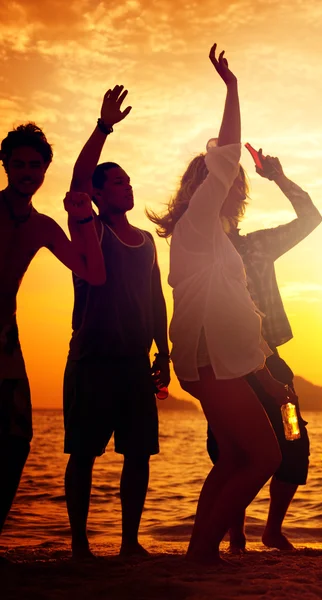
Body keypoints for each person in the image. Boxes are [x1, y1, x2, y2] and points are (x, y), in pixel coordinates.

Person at [149, 45, 294, 567]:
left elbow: (239, 312)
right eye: (223, 179)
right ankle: (203, 553)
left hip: (213, 358)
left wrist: (266, 376)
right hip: (207, 358)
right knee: (265, 456)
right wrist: (232, 90)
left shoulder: (214, 237)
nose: (234, 185)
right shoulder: (198, 224)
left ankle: (197, 551)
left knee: (234, 455)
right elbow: (228, 153)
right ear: (204, 185)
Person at [63, 85, 171, 559]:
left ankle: (129, 542)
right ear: (100, 193)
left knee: (139, 456)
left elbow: (155, 301)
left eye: (130, 181)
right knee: (83, 455)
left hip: (132, 365)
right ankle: (80, 544)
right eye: (119, 182)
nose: (128, 187)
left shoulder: (147, 241)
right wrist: (103, 127)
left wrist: (163, 354)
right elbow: (79, 177)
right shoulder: (90, 226)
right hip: (91, 361)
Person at [205, 148, 322, 552]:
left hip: (270, 359)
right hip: (225, 365)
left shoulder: (256, 246)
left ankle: (272, 529)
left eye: (236, 186)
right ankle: (234, 534)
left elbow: (312, 218)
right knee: (231, 450)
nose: (232, 194)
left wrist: (279, 178)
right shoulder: (199, 250)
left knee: (294, 437)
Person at [0, 123, 105, 561]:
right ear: (4, 165)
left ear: (45, 170)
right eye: (19, 163)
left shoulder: (42, 226)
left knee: (16, 439)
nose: (27, 171)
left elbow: (94, 273)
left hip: (6, 338)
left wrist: (82, 219)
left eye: (35, 165)